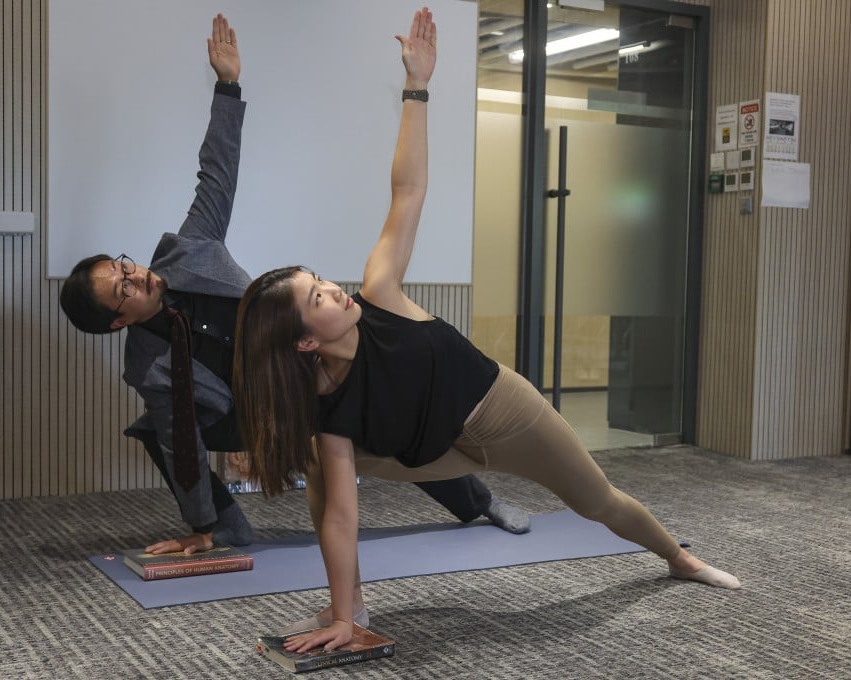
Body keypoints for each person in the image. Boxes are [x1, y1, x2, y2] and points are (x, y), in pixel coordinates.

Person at [232, 7, 741, 653]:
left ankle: (678, 557)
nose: (333, 287)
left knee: (599, 502)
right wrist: (338, 616)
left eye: (320, 280)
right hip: (432, 453)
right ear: (305, 340)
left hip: (502, 412)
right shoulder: (328, 406)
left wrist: (418, 87)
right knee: (322, 470)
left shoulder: (380, 294)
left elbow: (408, 189)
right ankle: (347, 608)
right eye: (317, 297)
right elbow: (341, 514)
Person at [57, 14, 529, 560]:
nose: (134, 274)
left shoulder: (190, 250)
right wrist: (200, 523)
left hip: (305, 366)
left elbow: (216, 172)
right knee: (162, 431)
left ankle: (478, 503)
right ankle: (225, 526)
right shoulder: (148, 364)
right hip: (250, 410)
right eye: (121, 289)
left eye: (124, 266)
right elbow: (182, 437)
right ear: (119, 321)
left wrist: (227, 85)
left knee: (387, 421)